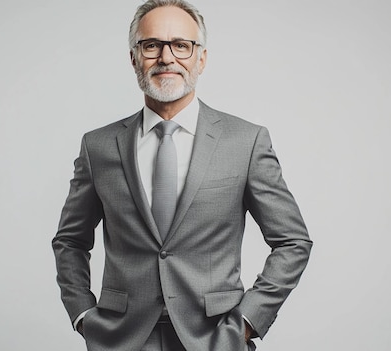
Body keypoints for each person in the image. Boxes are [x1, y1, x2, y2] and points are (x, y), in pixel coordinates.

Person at [52, 1, 312, 350]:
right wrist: (82, 314)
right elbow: (70, 241)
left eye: (181, 45)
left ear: (200, 58)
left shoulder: (246, 141)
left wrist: (248, 321)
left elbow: (292, 241)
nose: (166, 57)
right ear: (133, 58)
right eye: (151, 45)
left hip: (215, 337)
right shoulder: (97, 146)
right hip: (122, 338)